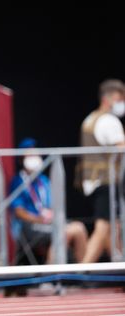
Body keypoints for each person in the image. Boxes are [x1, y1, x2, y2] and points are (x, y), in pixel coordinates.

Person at [10, 138, 87, 264]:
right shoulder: (18, 181)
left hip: (48, 223)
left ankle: (85, 274)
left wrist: (52, 217)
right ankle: (52, 277)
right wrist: (39, 220)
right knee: (62, 233)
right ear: (21, 159)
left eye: (35, 153)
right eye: (29, 154)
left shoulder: (44, 180)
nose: (34, 157)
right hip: (30, 227)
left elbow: (54, 205)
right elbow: (19, 212)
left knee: (79, 229)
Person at [78, 79, 125, 263]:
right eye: (119, 98)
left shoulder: (91, 118)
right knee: (103, 227)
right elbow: (121, 147)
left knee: (112, 229)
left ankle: (121, 268)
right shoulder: (108, 121)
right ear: (108, 99)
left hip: (91, 181)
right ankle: (82, 270)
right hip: (105, 181)